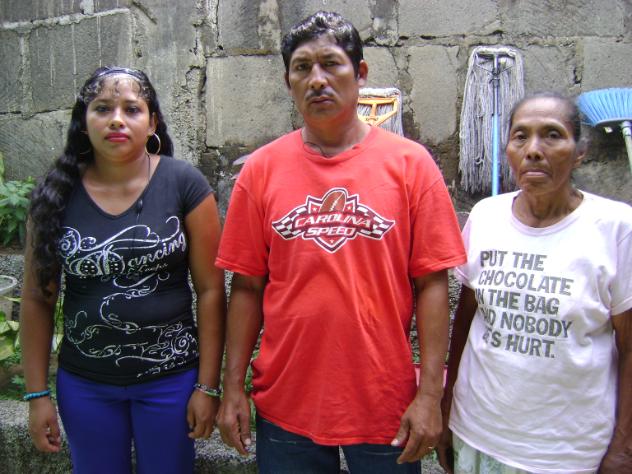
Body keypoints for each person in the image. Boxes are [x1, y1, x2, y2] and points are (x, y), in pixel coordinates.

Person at [215, 11, 466, 474]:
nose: (317, 79)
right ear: (288, 82)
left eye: (331, 64)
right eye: (302, 68)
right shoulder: (261, 171)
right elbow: (246, 287)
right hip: (286, 401)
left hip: (385, 402)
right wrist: (233, 388)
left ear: (360, 73)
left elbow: (433, 284)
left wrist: (431, 395)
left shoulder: (411, 166)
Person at [19, 66, 226, 474]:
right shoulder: (55, 194)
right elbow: (37, 299)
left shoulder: (185, 184)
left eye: (132, 109)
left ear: (152, 122)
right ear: (83, 123)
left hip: (171, 383)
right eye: (102, 108)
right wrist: (36, 394)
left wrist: (207, 385)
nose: (116, 119)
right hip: (86, 386)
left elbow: (211, 291)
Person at [438, 92, 632, 474]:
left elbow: (629, 348)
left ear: (580, 151)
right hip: (477, 433)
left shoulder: (616, 228)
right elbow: (465, 322)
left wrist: (624, 446)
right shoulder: (486, 216)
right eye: (520, 136)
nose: (533, 150)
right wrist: (447, 406)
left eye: (553, 135)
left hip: (566, 453)